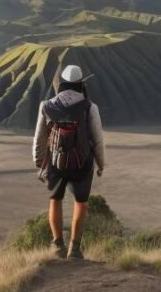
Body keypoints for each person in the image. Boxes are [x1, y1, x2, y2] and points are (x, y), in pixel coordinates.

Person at [32, 64, 106, 260]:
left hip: (56, 163)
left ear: (62, 84)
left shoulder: (46, 106)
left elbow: (39, 137)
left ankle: (57, 245)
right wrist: (101, 164)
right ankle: (75, 249)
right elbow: (98, 139)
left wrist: (40, 162)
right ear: (80, 83)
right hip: (83, 163)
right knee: (81, 203)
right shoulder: (90, 107)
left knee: (55, 200)